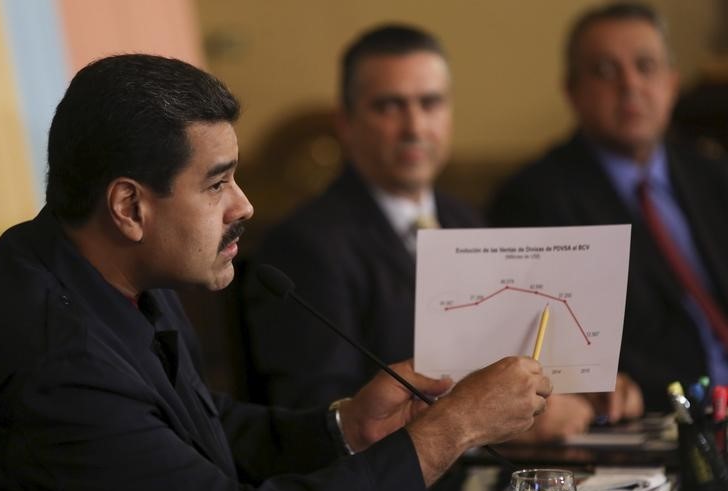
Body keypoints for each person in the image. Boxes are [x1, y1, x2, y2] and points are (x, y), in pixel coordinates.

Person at [0, 54, 552, 491]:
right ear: (129, 207)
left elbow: (193, 429)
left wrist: (344, 427)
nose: (244, 206)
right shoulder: (54, 365)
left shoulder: (111, 267)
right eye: (217, 183)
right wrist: (453, 429)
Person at [243, 24, 621, 442]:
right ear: (346, 123)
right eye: (389, 106)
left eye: (431, 103)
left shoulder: (467, 219)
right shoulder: (304, 245)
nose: (415, 126)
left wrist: (577, 386)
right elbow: (320, 414)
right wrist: (491, 423)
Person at [488, 1, 728, 412]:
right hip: (662, 414)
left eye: (646, 66)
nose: (630, 84)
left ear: (672, 83)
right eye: (604, 70)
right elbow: (569, 353)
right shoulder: (535, 199)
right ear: (572, 91)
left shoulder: (713, 175)